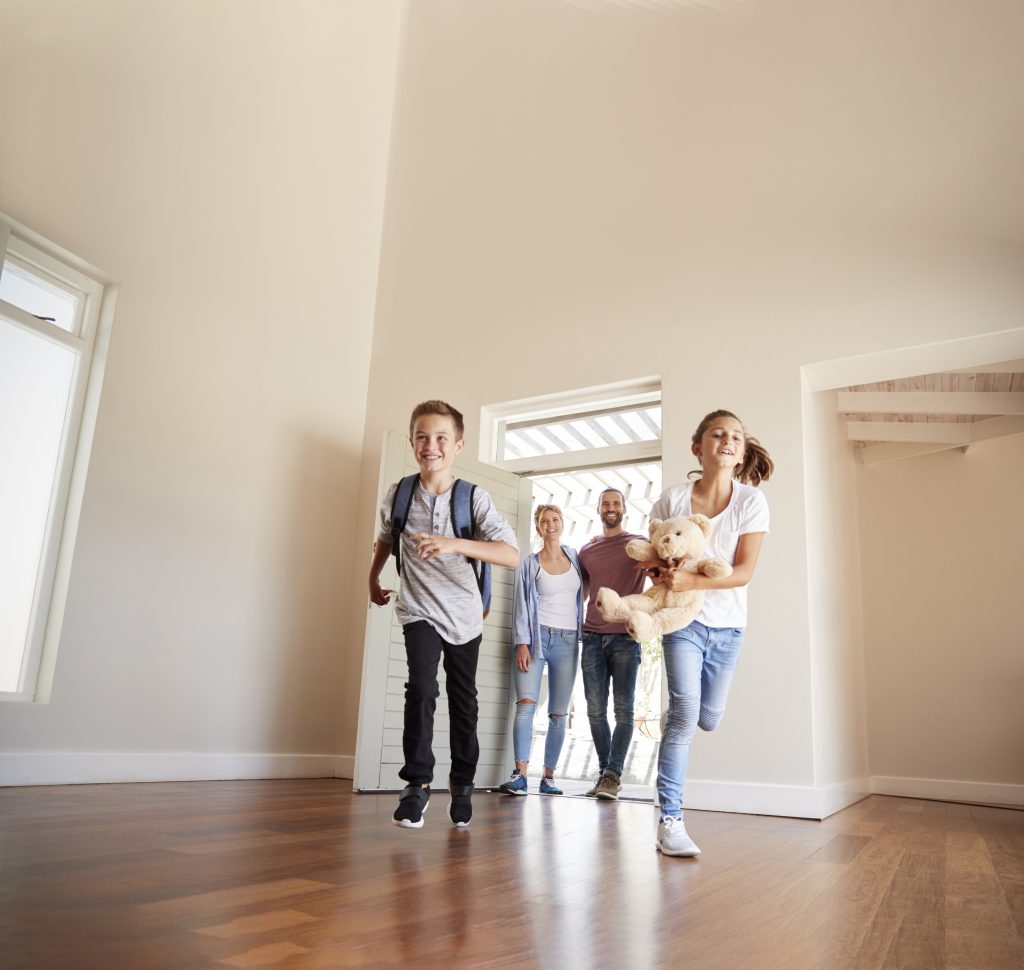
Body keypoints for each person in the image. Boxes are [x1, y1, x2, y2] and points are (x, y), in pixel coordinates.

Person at [368, 400, 519, 829]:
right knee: (420, 688)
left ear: (457, 446)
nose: (430, 445)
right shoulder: (398, 494)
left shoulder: (473, 499)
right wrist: (372, 578)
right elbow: (385, 538)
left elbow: (510, 554)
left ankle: (462, 783)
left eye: (440, 438)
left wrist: (453, 543)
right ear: (413, 441)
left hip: (464, 615)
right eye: (421, 436)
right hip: (417, 608)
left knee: (463, 700)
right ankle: (416, 784)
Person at [648, 409, 773, 857]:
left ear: (740, 453)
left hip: (729, 627)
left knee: (708, 718)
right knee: (684, 714)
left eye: (736, 435)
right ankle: (670, 820)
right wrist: (662, 571)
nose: (728, 440)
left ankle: (680, 718)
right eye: (718, 434)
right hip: (681, 621)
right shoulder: (672, 500)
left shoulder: (751, 502)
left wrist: (694, 580)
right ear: (697, 447)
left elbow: (743, 573)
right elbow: (650, 552)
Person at [499, 504, 584, 796]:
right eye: (545, 521)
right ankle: (520, 775)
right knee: (526, 705)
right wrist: (522, 644)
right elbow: (521, 606)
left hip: (569, 640)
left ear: (563, 524)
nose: (550, 524)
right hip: (536, 639)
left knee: (559, 713)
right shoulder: (529, 563)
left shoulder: (575, 557)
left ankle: (548, 777)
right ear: (538, 528)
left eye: (555, 519)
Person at [578, 488, 647, 800]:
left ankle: (612, 774)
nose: (610, 508)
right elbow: (582, 592)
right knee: (594, 711)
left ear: (624, 509)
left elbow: (660, 579)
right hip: (591, 637)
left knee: (623, 711)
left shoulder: (638, 545)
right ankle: (608, 775)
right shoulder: (587, 551)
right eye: (605, 503)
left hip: (625, 639)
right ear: (597, 509)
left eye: (616, 503)